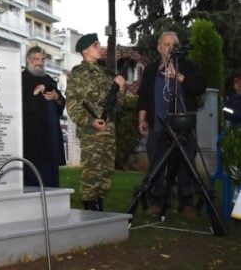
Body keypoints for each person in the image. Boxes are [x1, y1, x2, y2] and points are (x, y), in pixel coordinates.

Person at [137, 31, 206, 219]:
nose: (170, 48)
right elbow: (143, 96)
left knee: (186, 163)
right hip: (158, 126)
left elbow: (200, 87)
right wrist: (142, 119)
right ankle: (158, 201)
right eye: (166, 44)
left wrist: (180, 78)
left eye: (173, 44)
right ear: (159, 48)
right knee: (157, 165)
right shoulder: (151, 70)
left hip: (183, 126)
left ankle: (187, 203)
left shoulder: (188, 67)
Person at [66, 33, 125, 211]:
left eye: (99, 44)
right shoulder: (78, 74)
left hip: (109, 129)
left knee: (106, 170)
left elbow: (118, 105)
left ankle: (99, 201)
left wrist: (121, 89)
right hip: (91, 131)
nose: (100, 48)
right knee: (93, 168)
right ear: (85, 51)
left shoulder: (107, 74)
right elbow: (73, 105)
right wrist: (90, 121)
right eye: (95, 45)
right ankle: (90, 205)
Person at [21, 46, 66, 188]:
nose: (39, 63)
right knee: (33, 178)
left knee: (50, 177)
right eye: (36, 59)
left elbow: (61, 103)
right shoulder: (21, 79)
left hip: (50, 139)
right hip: (31, 140)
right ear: (28, 60)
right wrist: (34, 93)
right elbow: (18, 106)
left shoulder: (47, 79)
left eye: (42, 60)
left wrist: (56, 97)